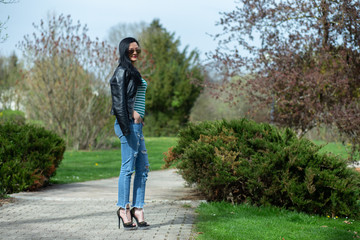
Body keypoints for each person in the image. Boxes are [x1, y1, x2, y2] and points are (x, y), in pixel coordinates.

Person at [110, 37, 150, 230]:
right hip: (128, 125)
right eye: (131, 50)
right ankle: (123, 208)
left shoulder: (133, 71)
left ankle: (138, 208)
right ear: (124, 51)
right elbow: (118, 104)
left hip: (137, 126)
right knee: (128, 168)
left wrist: (139, 119)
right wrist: (129, 126)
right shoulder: (121, 72)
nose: (135, 52)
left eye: (137, 50)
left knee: (143, 168)